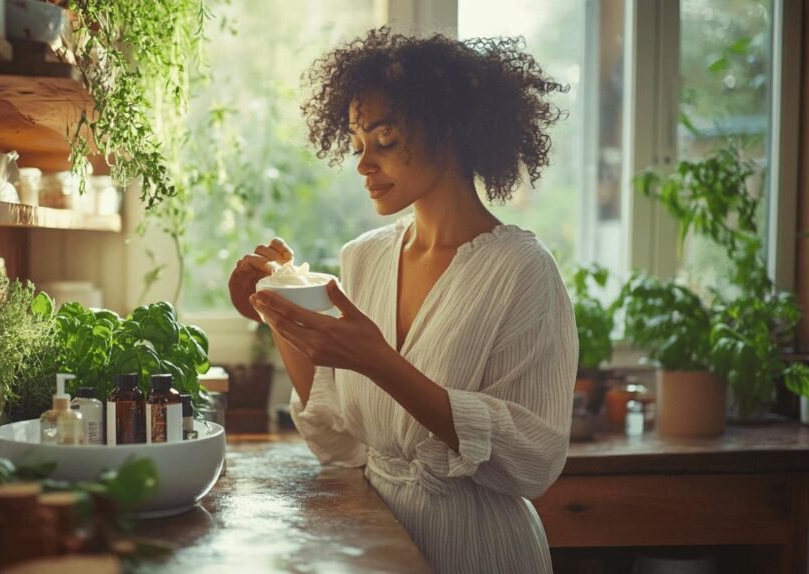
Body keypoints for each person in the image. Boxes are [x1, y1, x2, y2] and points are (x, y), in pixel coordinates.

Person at [228, 28, 577, 574]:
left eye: (385, 140)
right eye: (357, 145)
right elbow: (343, 438)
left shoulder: (522, 271)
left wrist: (380, 361)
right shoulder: (364, 258)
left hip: (480, 551)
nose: (365, 163)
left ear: (452, 133)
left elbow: (533, 461)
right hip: (381, 542)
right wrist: (276, 307)